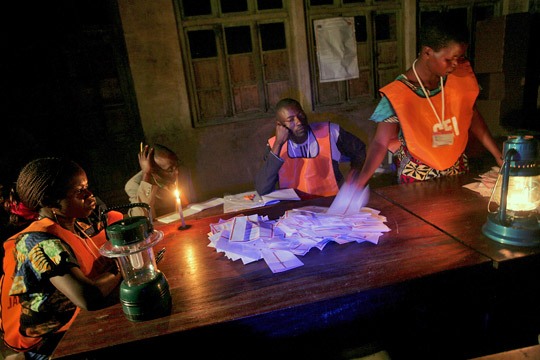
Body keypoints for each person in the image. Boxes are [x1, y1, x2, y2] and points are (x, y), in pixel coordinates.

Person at [352, 16, 503, 188]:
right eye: (449, 59)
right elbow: (380, 142)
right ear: (428, 53)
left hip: (457, 168)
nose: (455, 64)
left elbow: (472, 115)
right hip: (417, 176)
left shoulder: (458, 78)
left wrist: (497, 154)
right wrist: (360, 181)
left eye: (459, 57)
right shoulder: (398, 95)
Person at [0, 158, 123, 360]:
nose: (90, 195)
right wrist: (122, 263)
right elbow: (88, 297)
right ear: (51, 202)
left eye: (87, 187)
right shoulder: (37, 242)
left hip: (78, 326)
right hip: (53, 346)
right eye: (79, 191)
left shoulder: (78, 227)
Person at [255, 98, 366, 196]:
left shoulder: (330, 132)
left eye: (301, 115)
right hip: (294, 210)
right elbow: (262, 189)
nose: (299, 122)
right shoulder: (275, 145)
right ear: (280, 125)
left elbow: (360, 151)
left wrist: (353, 175)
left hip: (331, 204)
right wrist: (278, 144)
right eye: (291, 120)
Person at [125, 144, 196, 218]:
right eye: (170, 169)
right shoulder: (134, 184)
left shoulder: (183, 171)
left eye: (177, 164)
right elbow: (143, 217)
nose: (177, 172)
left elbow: (191, 205)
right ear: (154, 170)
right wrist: (146, 174)